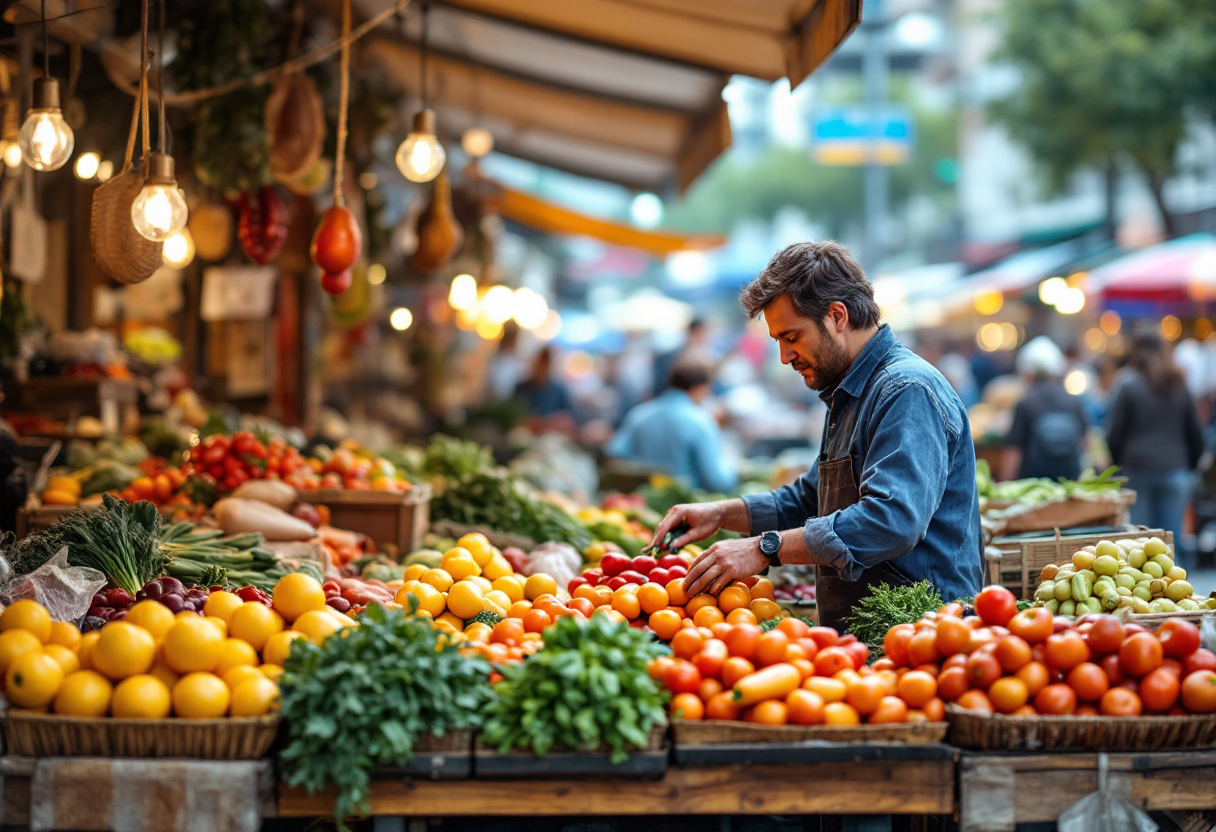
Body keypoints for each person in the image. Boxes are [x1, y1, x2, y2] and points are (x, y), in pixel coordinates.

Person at [651, 241, 983, 630]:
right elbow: (809, 499)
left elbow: (891, 521)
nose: (784, 357)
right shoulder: (850, 392)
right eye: (778, 341)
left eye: (792, 337)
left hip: (927, 636)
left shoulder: (906, 391)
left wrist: (765, 548)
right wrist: (721, 513)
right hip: (869, 639)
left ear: (837, 316)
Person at [1106, 328, 1204, 554]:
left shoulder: (1127, 384)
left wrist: (1119, 464)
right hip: (1175, 469)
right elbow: (1195, 433)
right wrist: (1188, 466)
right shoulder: (1179, 384)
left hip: (1137, 469)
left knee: (1139, 544)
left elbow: (1114, 433)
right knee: (1170, 541)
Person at [605, 357, 737, 493]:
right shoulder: (701, 421)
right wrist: (731, 467)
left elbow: (615, 455)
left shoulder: (640, 414)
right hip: (688, 503)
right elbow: (717, 481)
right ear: (699, 388)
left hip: (645, 500)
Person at [1000, 336, 1088, 482]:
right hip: (1068, 484)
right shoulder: (1072, 402)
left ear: (1027, 373)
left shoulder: (1025, 404)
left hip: (1033, 486)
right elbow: (1086, 443)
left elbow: (1014, 452)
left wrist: (1004, 485)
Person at [514, 347, 576, 433]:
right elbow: (514, 415)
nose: (541, 368)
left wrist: (551, 422)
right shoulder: (521, 388)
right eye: (539, 364)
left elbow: (570, 415)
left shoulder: (558, 389)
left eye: (545, 364)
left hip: (551, 434)